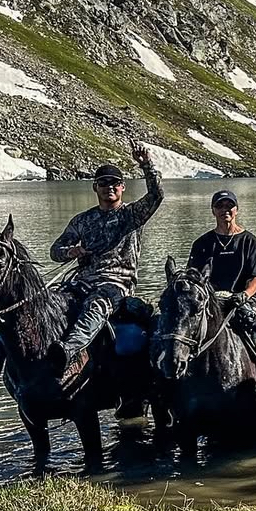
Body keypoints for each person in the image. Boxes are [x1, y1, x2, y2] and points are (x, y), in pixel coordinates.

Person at [45, 143, 164, 375]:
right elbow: (55, 250)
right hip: (83, 281)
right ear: (95, 187)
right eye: (103, 183)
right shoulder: (83, 220)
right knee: (47, 299)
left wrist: (146, 165)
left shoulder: (132, 215)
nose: (109, 187)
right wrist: (71, 252)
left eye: (114, 183)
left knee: (96, 305)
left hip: (117, 284)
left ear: (122, 187)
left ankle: (69, 350)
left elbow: (156, 195)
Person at [187, 189, 256, 381]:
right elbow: (194, 280)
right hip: (210, 300)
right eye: (220, 206)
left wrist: (245, 295)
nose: (225, 210)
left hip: (243, 298)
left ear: (236, 210)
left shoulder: (250, 241)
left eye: (229, 206)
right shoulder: (202, 244)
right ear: (213, 210)